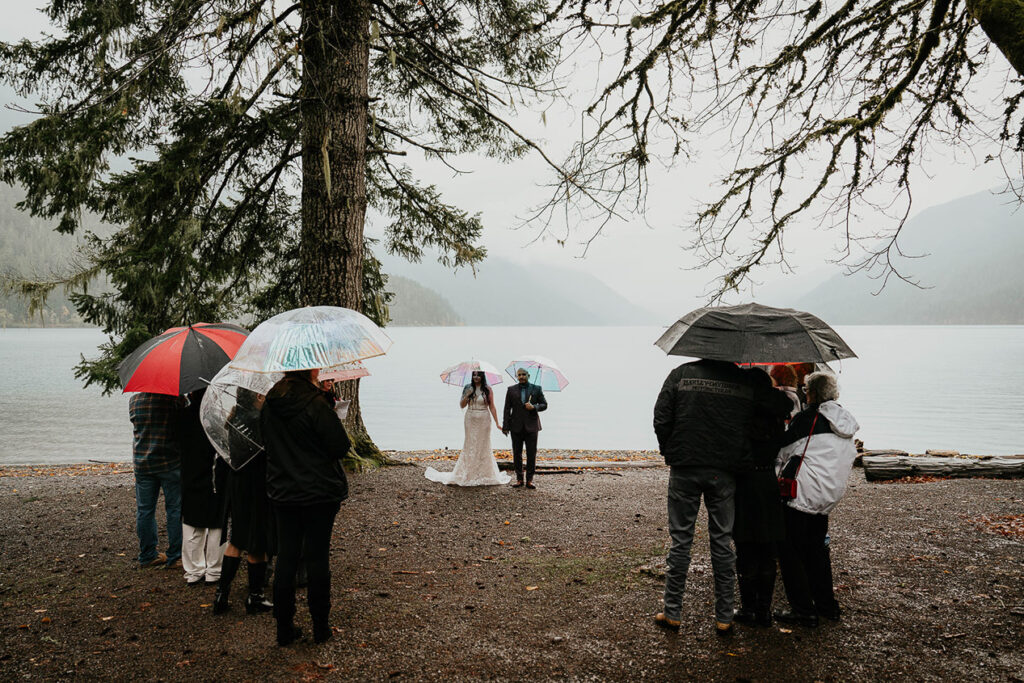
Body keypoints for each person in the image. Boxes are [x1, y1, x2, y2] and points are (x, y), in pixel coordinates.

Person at [652, 358, 789, 635]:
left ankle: (672, 612)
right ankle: (724, 616)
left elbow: (661, 417)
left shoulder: (681, 374)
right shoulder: (743, 380)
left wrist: (671, 450)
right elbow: (777, 407)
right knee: (722, 542)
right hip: (724, 471)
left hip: (685, 467)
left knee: (681, 541)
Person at [261, 368, 350, 646]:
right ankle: (320, 626)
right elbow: (339, 446)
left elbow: (266, 442)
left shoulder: (270, 403)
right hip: (319, 493)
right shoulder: (315, 404)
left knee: (286, 557)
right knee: (317, 557)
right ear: (310, 369)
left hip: (283, 491)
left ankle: (283, 628)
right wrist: (329, 409)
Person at [774, 371, 860, 627]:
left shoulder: (808, 419)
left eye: (807, 390)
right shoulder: (845, 420)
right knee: (816, 551)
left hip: (803, 493)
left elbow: (783, 449)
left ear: (811, 393)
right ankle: (826, 606)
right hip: (829, 495)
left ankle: (803, 610)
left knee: (789, 551)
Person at [733, 368, 792, 627]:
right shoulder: (778, 409)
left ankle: (747, 608)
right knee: (767, 547)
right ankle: (764, 610)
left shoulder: (741, 410)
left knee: (745, 545)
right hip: (768, 478)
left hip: (744, 480)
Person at [213, 387, 273, 616]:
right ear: (258, 396)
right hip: (257, 485)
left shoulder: (234, 418)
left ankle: (221, 593)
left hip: (237, 483)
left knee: (236, 540)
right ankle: (255, 596)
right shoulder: (259, 421)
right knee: (258, 542)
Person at [128, 392, 184, 570]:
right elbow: (182, 425)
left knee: (144, 510)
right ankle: (175, 556)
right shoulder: (174, 400)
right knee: (174, 509)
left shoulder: (134, 401)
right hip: (169, 462)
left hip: (142, 462)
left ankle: (147, 555)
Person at [425, 370, 510, 486]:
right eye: (474, 375)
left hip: (484, 419)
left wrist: (497, 423)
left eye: (478, 375)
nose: (476, 377)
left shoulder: (488, 389)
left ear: (482, 376)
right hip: (470, 418)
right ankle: (468, 472)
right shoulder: (467, 387)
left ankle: (484, 473)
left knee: (483, 444)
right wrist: (467, 395)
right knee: (470, 444)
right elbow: (462, 405)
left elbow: (492, 406)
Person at [178, 389, 228, 586]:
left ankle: (193, 570)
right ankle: (214, 569)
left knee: (191, 521)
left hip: (190, 471)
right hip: (215, 472)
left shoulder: (183, 416)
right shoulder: (216, 417)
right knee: (216, 521)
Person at [502, 368, 548, 489]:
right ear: (517, 376)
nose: (521, 376)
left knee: (531, 453)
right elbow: (507, 409)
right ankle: (519, 479)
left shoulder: (536, 389)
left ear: (528, 375)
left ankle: (530, 480)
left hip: (532, 426)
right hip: (515, 426)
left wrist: (534, 407)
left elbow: (544, 405)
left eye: (523, 374)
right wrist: (505, 426)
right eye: (519, 375)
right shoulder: (511, 390)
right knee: (516, 453)